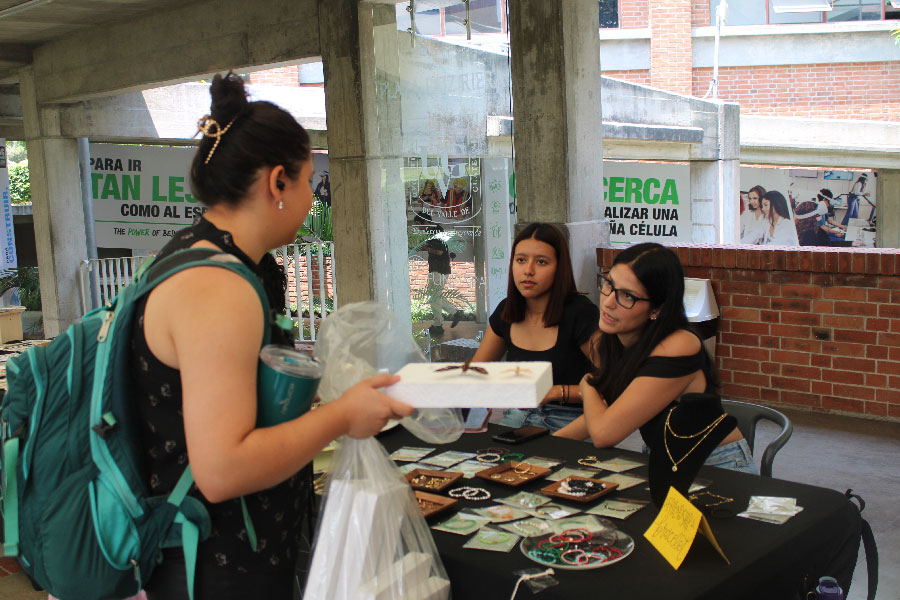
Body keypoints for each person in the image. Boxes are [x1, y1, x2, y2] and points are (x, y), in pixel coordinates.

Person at [129, 73, 413, 600]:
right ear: (277, 182)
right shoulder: (218, 286)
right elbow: (222, 469)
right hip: (214, 569)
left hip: (211, 555)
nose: (311, 198)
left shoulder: (198, 255)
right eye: (307, 181)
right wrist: (342, 416)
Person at [554, 242, 754, 473]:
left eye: (627, 296)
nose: (608, 302)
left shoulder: (679, 345)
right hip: (664, 461)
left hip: (714, 465)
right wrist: (540, 447)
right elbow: (604, 414)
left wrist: (587, 384)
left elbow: (603, 434)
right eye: (609, 284)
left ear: (657, 309)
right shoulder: (619, 338)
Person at [472, 223, 600, 431]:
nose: (528, 271)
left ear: (559, 267)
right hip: (516, 416)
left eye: (541, 262)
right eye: (521, 260)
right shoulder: (507, 310)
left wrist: (556, 392)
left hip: (569, 418)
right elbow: (476, 373)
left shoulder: (580, 312)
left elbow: (614, 382)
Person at [412, 212, 462, 336]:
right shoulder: (436, 230)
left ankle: (438, 325)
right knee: (436, 296)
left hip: (438, 270)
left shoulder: (434, 231)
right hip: (440, 269)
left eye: (418, 224)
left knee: (434, 297)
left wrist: (425, 248)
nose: (418, 227)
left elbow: (439, 252)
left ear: (425, 221)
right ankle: (455, 313)